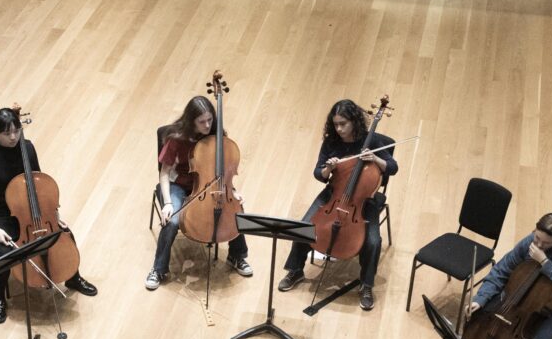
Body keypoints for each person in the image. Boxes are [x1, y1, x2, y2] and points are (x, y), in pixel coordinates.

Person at [0, 108, 98, 325]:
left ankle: (73, 278)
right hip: (0, 214)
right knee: (4, 252)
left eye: (17, 131)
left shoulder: (28, 148)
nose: (13, 137)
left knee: (64, 233)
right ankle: (0, 299)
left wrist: (54, 213)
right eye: (7, 133)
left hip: (29, 207)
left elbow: (40, 182)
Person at [279, 99, 398, 311]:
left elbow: (393, 167)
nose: (339, 129)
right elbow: (319, 174)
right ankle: (295, 271)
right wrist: (328, 168)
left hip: (363, 200)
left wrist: (376, 159)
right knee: (304, 226)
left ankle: (366, 285)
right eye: (335, 124)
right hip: (334, 194)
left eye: (343, 124)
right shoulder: (331, 142)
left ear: (354, 121)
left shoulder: (371, 140)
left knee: (373, 241)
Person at [145, 96, 253, 291]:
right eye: (201, 121)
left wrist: (232, 191)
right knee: (172, 222)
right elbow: (164, 173)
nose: (207, 125)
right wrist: (168, 203)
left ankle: (237, 256)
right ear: (191, 121)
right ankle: (158, 269)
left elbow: (223, 170)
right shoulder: (176, 138)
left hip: (209, 185)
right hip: (178, 186)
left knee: (235, 211)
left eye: (210, 120)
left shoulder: (217, 136)